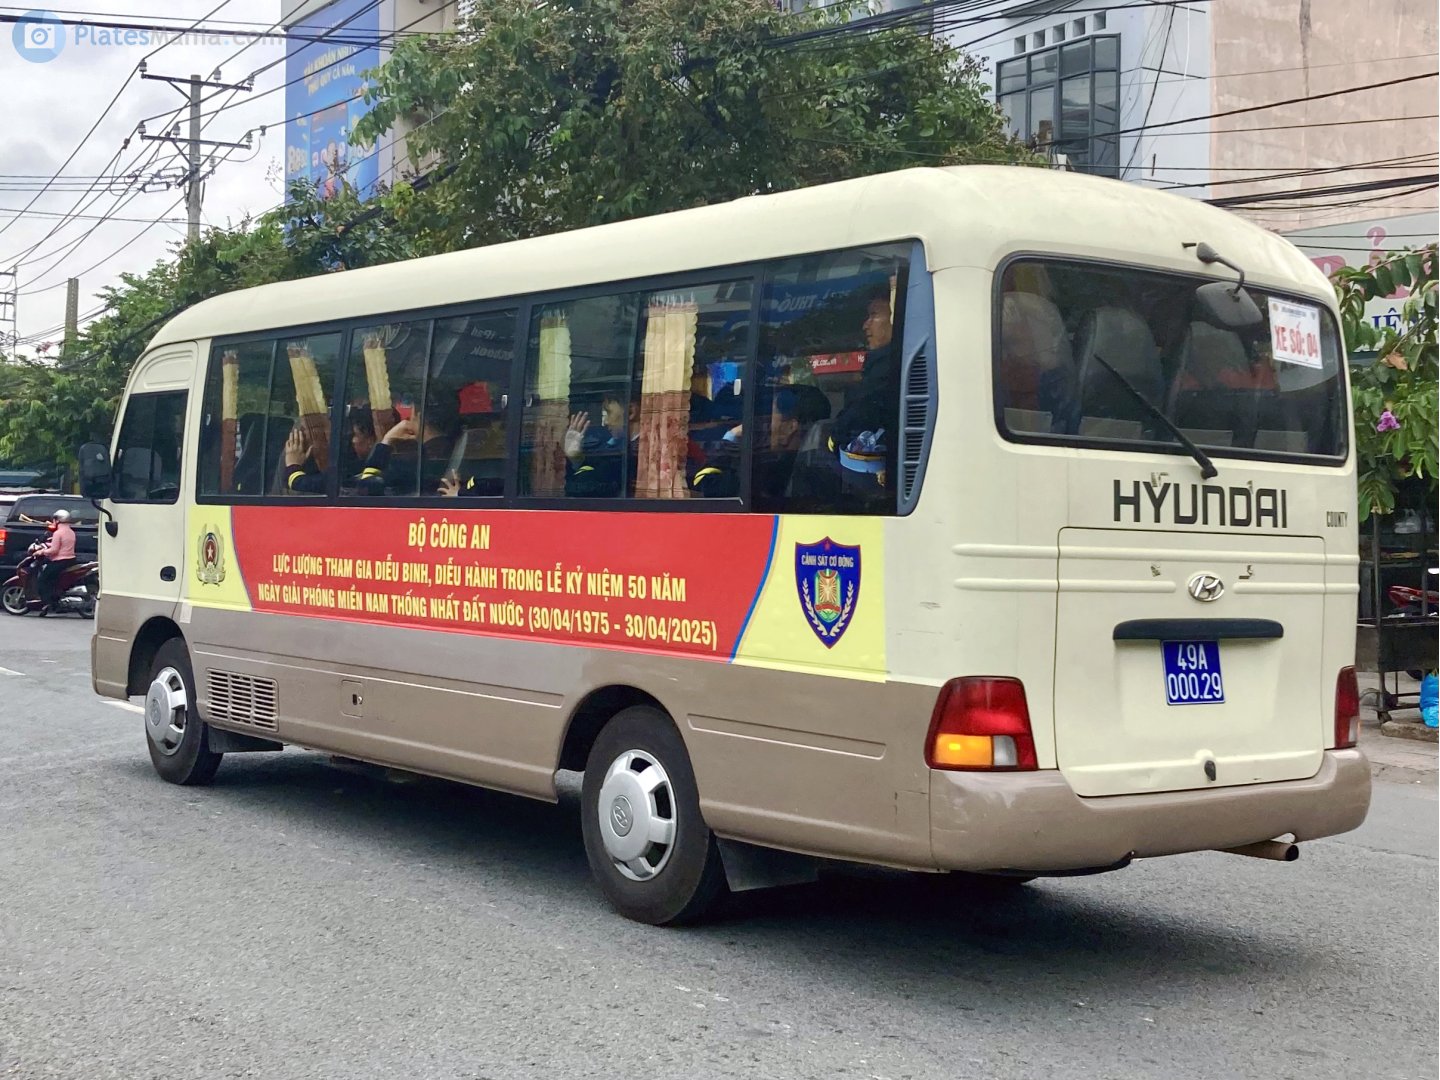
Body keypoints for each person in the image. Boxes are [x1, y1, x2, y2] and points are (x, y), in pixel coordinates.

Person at [562, 391, 640, 498]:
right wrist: (576, 459)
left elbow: (602, 484)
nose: (606, 422)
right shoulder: (611, 447)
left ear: (631, 411)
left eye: (608, 413)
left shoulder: (644, 452)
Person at [34, 509, 77, 614]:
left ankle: (48, 603)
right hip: (70, 560)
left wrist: (41, 552)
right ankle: (55, 602)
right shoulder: (71, 532)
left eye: (54, 519)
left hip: (60, 561)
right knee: (54, 581)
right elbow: (62, 546)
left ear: (58, 520)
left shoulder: (58, 533)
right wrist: (48, 545)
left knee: (42, 580)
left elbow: (54, 551)